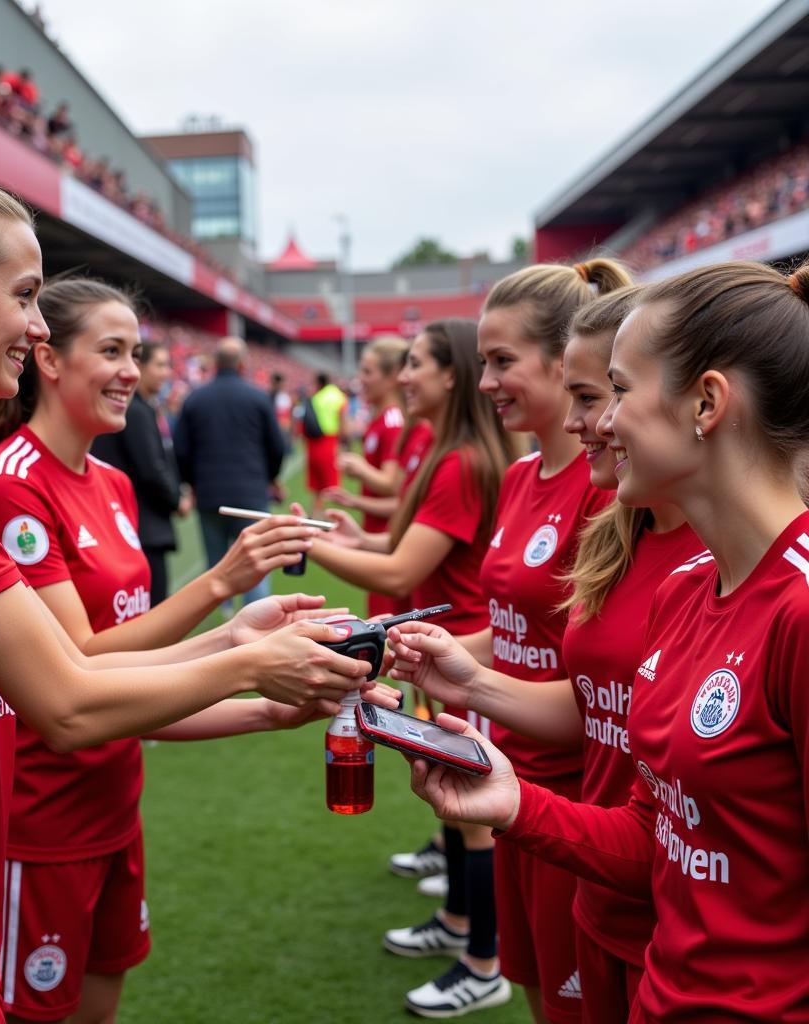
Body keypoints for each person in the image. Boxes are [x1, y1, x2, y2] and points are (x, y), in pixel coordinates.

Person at [0, 170, 381, 1024]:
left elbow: (63, 666)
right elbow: (65, 702)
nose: (38, 323)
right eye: (25, 295)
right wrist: (251, 659)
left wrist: (236, 645)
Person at [0, 277, 397, 1023]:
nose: (134, 370)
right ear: (48, 358)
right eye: (111, 350)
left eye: (136, 350)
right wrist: (223, 588)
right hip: (36, 824)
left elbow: (133, 696)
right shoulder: (9, 485)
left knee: (98, 1009)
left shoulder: (113, 482)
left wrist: (266, 704)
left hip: (113, 805)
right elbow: (82, 665)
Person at [393, 260, 809, 1024]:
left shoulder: (799, 611)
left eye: (615, 391)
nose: (599, 421)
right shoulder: (689, 590)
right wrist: (513, 803)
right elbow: (662, 836)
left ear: (707, 404)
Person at [402, 260, 630, 1024]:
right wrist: (436, 650)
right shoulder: (524, 472)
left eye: (503, 361)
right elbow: (517, 635)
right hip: (511, 778)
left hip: (581, 794)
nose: (487, 379)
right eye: (485, 360)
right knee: (541, 997)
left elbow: (604, 681)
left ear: (565, 364)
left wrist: (465, 678)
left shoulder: (615, 493)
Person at [296, 319, 516, 1018]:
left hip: (465, 649)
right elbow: (402, 544)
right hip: (445, 649)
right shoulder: (450, 452)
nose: (400, 377)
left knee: (472, 813)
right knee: (452, 801)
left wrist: (305, 540)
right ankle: (458, 924)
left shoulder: (461, 460)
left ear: (449, 376)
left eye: (415, 363)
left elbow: (400, 566)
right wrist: (355, 530)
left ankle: (483, 959)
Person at [173, 336, 287, 613]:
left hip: (210, 495)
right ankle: (257, 620)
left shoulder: (195, 398)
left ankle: (224, 616)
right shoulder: (258, 396)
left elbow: (180, 450)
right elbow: (278, 446)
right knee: (256, 562)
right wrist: (268, 478)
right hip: (250, 495)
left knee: (217, 564)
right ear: (241, 364)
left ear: (215, 364)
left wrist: (193, 482)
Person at [91, 337, 185, 605]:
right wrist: (177, 500)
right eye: (160, 365)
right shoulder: (136, 411)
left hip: (134, 526)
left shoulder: (143, 408)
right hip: (141, 528)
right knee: (152, 613)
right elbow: (151, 470)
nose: (166, 373)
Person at [322, 335, 408, 616]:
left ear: (392, 376)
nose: (361, 379)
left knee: (388, 624)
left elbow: (393, 487)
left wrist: (359, 469)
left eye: (368, 372)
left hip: (389, 538)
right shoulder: (381, 417)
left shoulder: (393, 421)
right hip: (374, 534)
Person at [303, 371, 348, 518]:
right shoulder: (338, 397)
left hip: (313, 446)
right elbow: (343, 423)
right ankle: (332, 520)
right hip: (329, 443)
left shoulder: (314, 398)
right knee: (332, 487)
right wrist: (344, 444)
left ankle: (315, 517)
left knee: (317, 488)